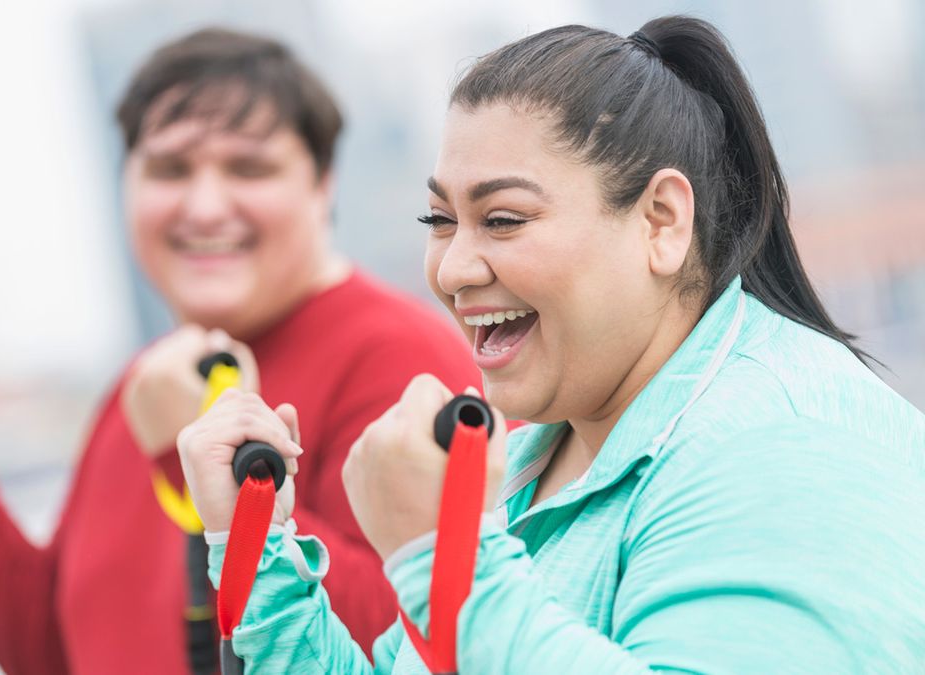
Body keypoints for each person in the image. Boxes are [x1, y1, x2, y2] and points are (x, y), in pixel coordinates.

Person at [177, 16, 925, 673]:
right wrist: (256, 541)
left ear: (661, 220)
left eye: (502, 220)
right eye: (439, 222)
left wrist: (442, 556)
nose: (454, 268)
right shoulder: (533, 455)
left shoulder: (783, 445)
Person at [0, 28, 480, 675]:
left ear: (323, 185)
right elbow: (53, 647)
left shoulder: (398, 358)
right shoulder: (143, 384)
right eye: (169, 169)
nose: (203, 206)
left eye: (248, 168)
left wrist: (193, 464)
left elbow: (421, 639)